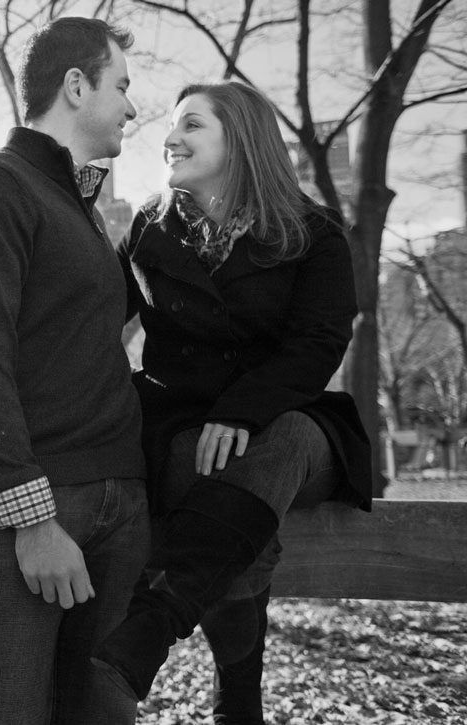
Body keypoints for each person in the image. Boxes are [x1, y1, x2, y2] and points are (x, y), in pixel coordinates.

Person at [90, 80, 373, 723]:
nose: (170, 138)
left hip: (293, 427)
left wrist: (242, 410)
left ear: (241, 139)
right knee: (211, 468)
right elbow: (97, 319)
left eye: (192, 125)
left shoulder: (314, 232)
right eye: (172, 126)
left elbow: (320, 341)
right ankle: (237, 701)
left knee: (281, 438)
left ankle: (160, 614)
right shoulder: (150, 229)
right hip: (184, 434)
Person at [0, 17, 149, 724]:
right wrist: (33, 522)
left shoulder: (84, 213)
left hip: (119, 507)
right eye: (122, 86)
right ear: (76, 86)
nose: (132, 107)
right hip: (33, 509)